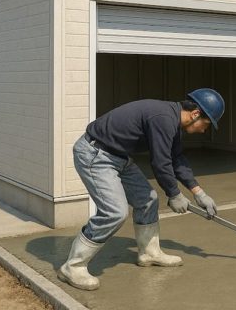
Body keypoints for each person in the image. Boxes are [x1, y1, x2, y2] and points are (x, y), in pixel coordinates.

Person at [58, 88, 225, 291]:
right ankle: (73, 266)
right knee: (115, 213)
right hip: (96, 154)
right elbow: (161, 163)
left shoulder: (171, 120)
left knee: (148, 199)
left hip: (118, 156)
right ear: (196, 114)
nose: (203, 130)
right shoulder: (163, 118)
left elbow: (176, 158)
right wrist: (174, 194)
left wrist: (199, 192)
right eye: (206, 125)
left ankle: (149, 253)